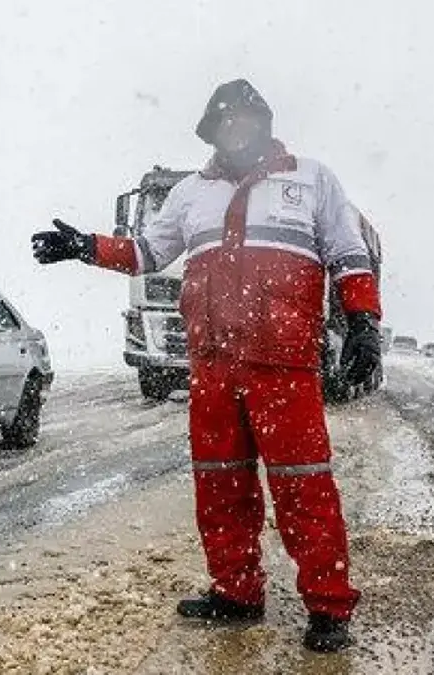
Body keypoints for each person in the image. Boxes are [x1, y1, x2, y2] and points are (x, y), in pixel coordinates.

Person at [30, 79, 382, 653]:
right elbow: (149, 252)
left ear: (263, 123)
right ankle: (237, 594)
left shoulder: (312, 178)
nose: (235, 130)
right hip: (214, 365)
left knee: (303, 487)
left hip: (284, 365)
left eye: (244, 120)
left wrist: (364, 323)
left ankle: (328, 606)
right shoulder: (191, 193)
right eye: (224, 122)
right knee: (220, 485)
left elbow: (347, 253)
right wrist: (85, 247)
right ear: (212, 131)